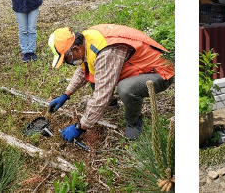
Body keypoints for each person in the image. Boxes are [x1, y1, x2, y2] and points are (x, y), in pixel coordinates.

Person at [46, 24, 174, 141]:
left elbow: (102, 94)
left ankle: (134, 122)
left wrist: (80, 127)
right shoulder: (87, 41)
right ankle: (111, 104)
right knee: (95, 72)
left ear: (76, 49)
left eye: (66, 59)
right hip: (136, 68)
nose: (67, 62)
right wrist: (66, 94)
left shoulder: (106, 53)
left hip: (160, 72)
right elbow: (83, 71)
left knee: (126, 89)